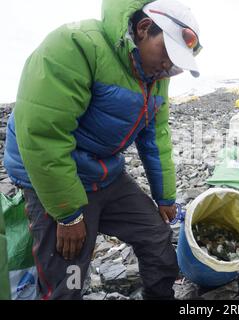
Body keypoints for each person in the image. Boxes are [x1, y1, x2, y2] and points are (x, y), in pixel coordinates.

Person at [3, 0, 202, 300]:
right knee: (68, 273)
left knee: (156, 236)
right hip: (50, 177)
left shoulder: (155, 76)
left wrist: (165, 196)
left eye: (177, 66)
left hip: (105, 173)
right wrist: (68, 215)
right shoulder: (76, 46)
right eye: (168, 55)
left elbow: (155, 136)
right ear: (144, 29)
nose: (168, 68)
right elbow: (43, 136)